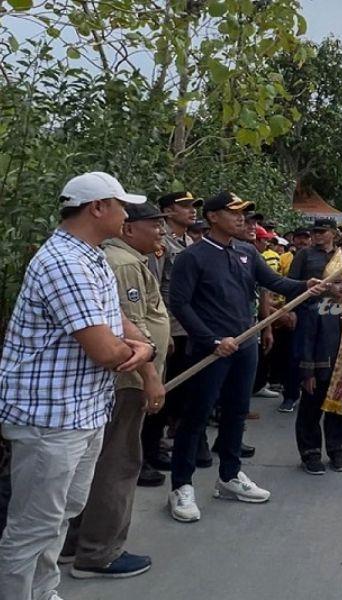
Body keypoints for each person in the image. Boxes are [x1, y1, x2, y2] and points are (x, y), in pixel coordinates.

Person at [0, 172, 160, 600]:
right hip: (51, 419)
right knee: (32, 526)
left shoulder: (90, 256)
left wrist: (139, 345)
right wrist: (143, 354)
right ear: (98, 208)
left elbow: (114, 320)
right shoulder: (65, 263)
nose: (127, 213)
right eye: (122, 205)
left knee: (60, 515)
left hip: (81, 411)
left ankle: (42, 590)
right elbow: (106, 351)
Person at [167, 191, 324, 522]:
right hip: (210, 351)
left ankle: (229, 476)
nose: (242, 219)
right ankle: (181, 486)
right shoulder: (191, 257)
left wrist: (305, 285)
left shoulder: (245, 253)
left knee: (237, 413)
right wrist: (210, 340)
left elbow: (277, 282)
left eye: (244, 214)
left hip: (245, 346)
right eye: (234, 213)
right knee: (195, 418)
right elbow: (180, 304)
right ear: (212, 217)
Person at [62, 202, 171, 579]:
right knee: (118, 463)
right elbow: (126, 330)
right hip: (127, 380)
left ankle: (74, 542)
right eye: (152, 224)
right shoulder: (121, 264)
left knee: (100, 462)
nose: (160, 231)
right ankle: (98, 552)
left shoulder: (114, 259)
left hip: (129, 375)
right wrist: (149, 375)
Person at [139, 191, 205, 484]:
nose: (192, 211)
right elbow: (152, 293)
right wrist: (159, 333)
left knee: (174, 396)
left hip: (185, 329)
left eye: (194, 206)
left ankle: (157, 447)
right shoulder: (158, 246)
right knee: (156, 394)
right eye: (185, 206)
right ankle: (145, 455)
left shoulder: (185, 243)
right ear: (168, 211)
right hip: (168, 331)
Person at [297, 250, 342, 474]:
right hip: (320, 372)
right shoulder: (314, 310)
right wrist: (308, 374)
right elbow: (306, 343)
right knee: (310, 413)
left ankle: (338, 450)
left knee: (340, 413)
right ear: (327, 285)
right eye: (337, 282)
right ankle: (311, 452)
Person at [280, 218, 339, 414]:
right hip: (307, 311)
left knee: (330, 354)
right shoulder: (304, 255)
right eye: (316, 231)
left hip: (333, 313)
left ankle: (326, 395)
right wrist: (290, 310)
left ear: (333, 233)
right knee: (299, 354)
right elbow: (292, 283)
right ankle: (290, 396)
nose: (318, 235)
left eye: (323, 231)